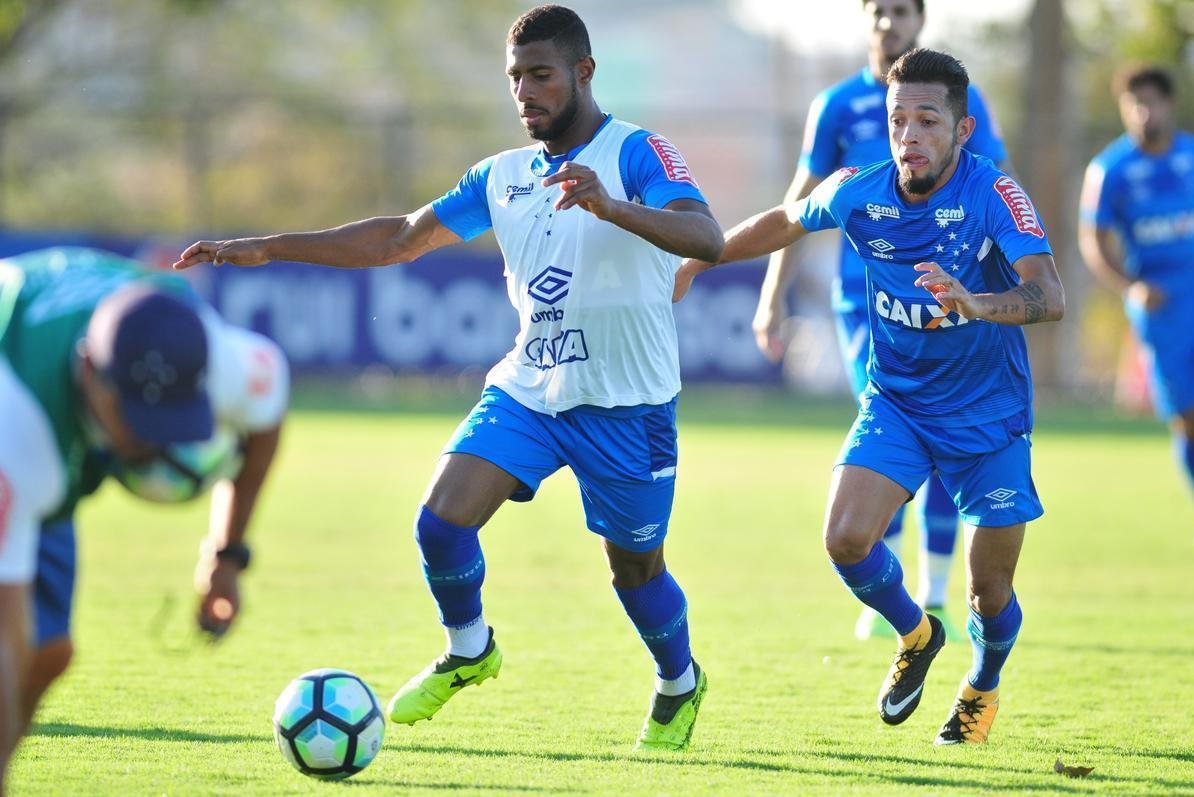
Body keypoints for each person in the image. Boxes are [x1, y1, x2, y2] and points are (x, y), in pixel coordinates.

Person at [174, 4, 723, 752]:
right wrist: (269, 246)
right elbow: (400, 238)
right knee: (440, 520)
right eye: (515, 78)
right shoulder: (501, 176)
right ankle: (470, 648)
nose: (526, 91)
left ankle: (678, 681)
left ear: (583, 74)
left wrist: (612, 204)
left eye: (542, 75)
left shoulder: (638, 152)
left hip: (630, 407)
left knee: (635, 573)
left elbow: (707, 236)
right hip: (532, 388)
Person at [676, 49, 1064, 745]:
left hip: (990, 415)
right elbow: (785, 220)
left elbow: (1049, 295)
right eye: (897, 120)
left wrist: (978, 304)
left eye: (927, 120)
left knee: (991, 592)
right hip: (900, 403)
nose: (909, 135)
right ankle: (917, 633)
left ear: (963, 129)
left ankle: (983, 682)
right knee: (846, 538)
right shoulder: (860, 188)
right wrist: (701, 258)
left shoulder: (996, 195)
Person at [757, 0, 1013, 643]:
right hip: (863, 303)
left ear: (919, 22)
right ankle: (894, 593)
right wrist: (772, 296)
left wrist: (993, 294)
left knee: (940, 440)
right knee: (891, 435)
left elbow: (999, 190)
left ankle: (936, 592)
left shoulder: (963, 98)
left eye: (899, 11)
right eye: (876, 11)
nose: (886, 23)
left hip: (950, 304)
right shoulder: (837, 105)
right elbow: (796, 208)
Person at [0, 246, 289, 789]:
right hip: (13, 387)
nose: (153, 437)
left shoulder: (219, 357)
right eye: (136, 416)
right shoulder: (19, 433)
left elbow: (267, 410)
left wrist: (225, 557)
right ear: (90, 371)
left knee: (49, 653)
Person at [1079, 64, 1194, 550]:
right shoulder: (1111, 170)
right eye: (1135, 104)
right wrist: (1129, 286)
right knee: (1188, 418)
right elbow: (1095, 239)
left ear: (1170, 104)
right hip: (1161, 308)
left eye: (1153, 102)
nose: (1145, 112)